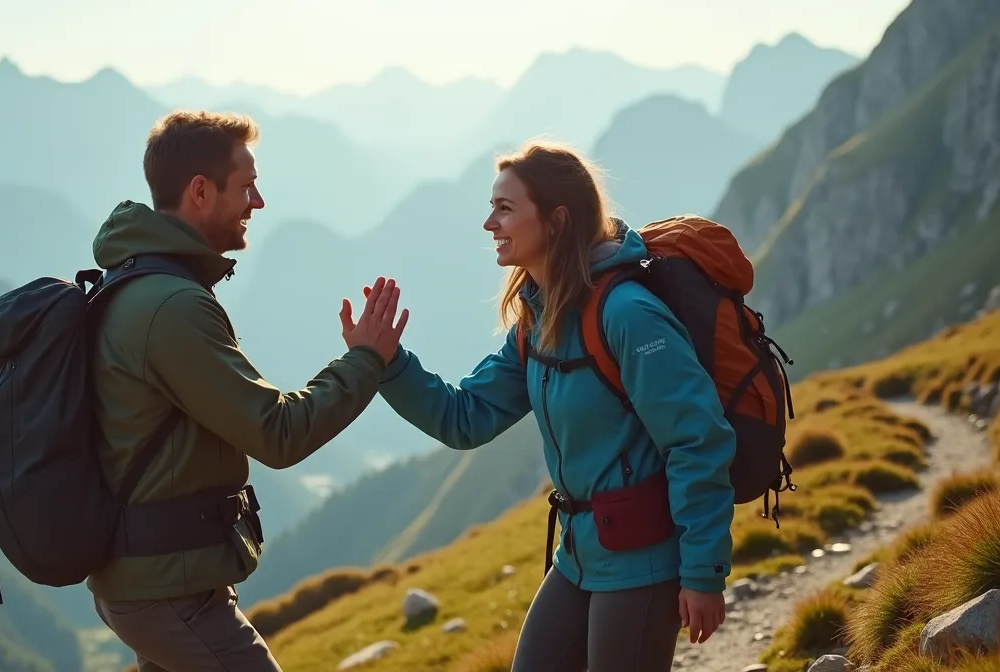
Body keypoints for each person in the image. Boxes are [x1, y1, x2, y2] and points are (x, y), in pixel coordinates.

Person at [361, 141, 735, 671]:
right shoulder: (538, 321)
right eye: (492, 207)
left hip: (643, 562)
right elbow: (464, 418)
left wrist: (703, 573)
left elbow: (697, 440)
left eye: (505, 208)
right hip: (578, 556)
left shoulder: (628, 315)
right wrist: (389, 362)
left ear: (556, 220)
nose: (489, 223)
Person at [85, 110, 410, 671]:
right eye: (247, 187)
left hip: (156, 578)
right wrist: (365, 360)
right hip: (169, 589)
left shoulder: (140, 280)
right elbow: (278, 434)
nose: (257, 202)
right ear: (200, 191)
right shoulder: (171, 306)